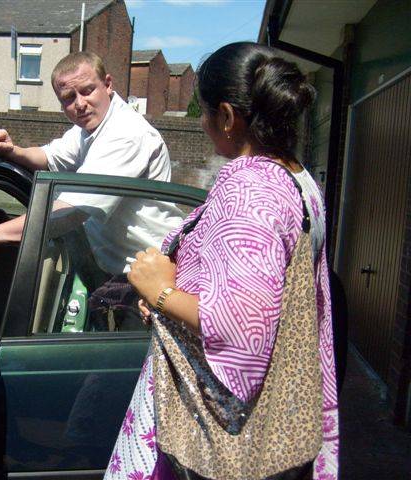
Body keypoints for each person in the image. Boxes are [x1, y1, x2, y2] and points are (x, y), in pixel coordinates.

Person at [106, 42, 339, 480]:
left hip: (225, 439)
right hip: (282, 425)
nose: (200, 121)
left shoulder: (250, 188)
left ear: (228, 117)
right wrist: (173, 295)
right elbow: (263, 286)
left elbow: (242, 324)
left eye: (205, 110)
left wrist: (161, 293)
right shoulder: (297, 178)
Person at [0, 51, 180, 276]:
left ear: (108, 84)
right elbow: (49, 158)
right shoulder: (89, 128)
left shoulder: (126, 134)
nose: (80, 104)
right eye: (69, 97)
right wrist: (12, 151)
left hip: (149, 271)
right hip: (116, 263)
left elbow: (70, 213)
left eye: (87, 90)